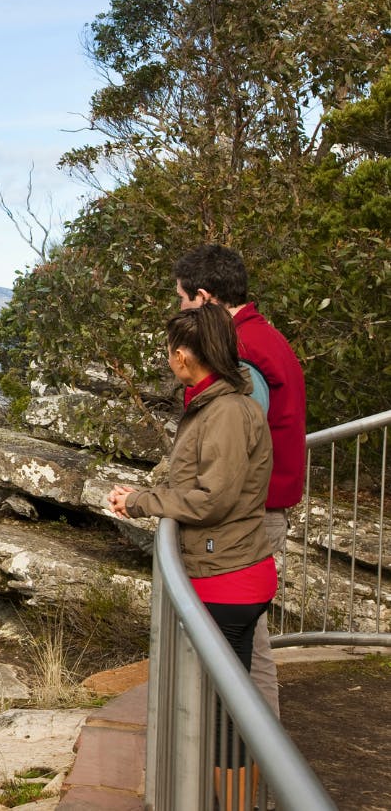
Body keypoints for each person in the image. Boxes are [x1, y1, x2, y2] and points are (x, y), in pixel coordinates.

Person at [173, 243, 306, 715]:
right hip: (263, 509)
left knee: (245, 654)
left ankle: (247, 760)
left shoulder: (241, 352)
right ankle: (250, 755)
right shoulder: (265, 337)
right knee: (248, 647)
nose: (182, 312)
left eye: (184, 301)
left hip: (245, 520)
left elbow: (235, 447)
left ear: (205, 297)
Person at [107, 304, 277, 674]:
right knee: (225, 700)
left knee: (217, 706)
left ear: (182, 357)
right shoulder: (217, 405)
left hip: (226, 576)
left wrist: (139, 502)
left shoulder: (226, 413)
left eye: (169, 352)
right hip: (229, 572)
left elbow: (212, 500)